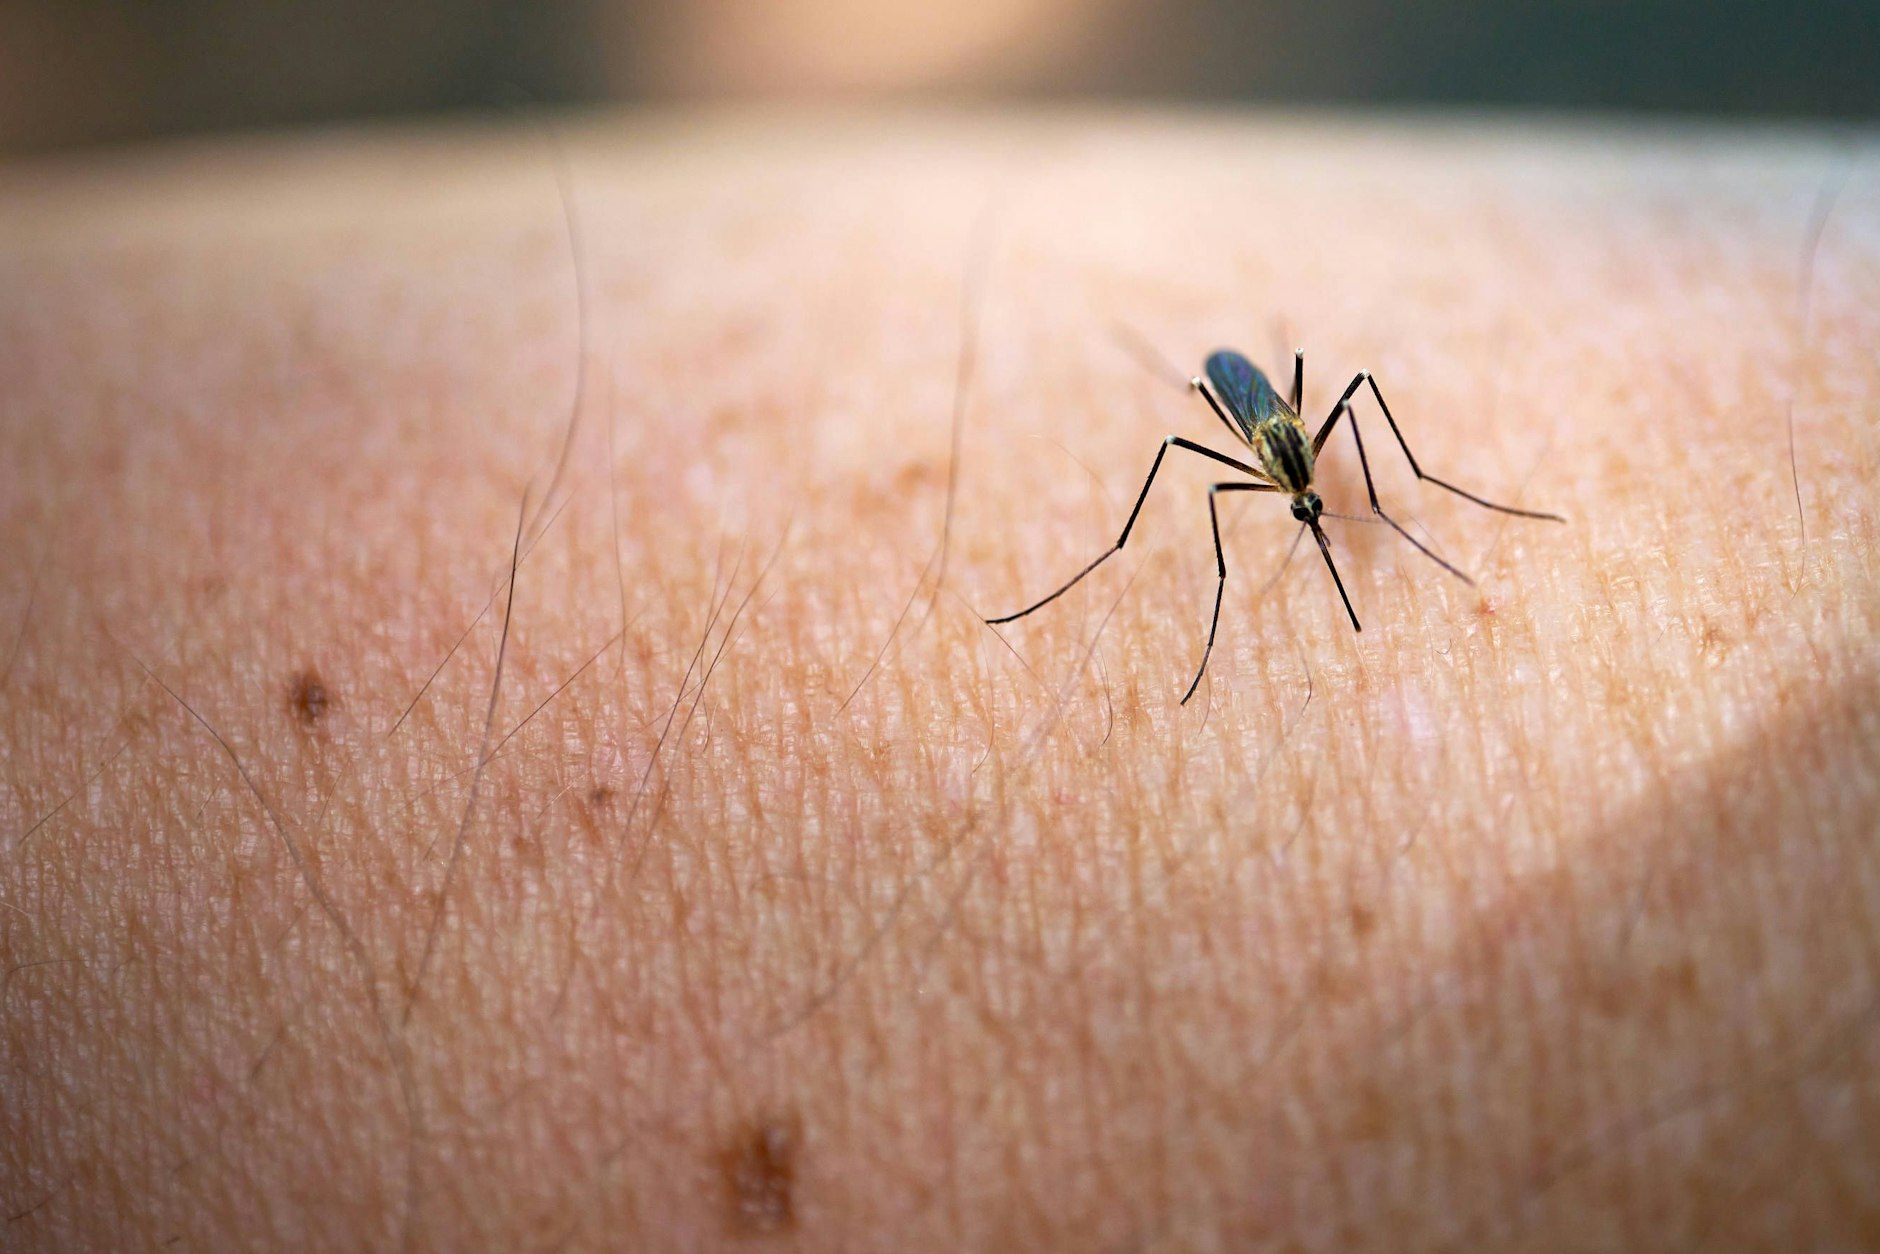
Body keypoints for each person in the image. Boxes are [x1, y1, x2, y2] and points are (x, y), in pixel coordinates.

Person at [3, 116, 1874, 1250]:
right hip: (1215, 408)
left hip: (1289, 388)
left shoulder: (1325, 436)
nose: (1308, 492)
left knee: (1363, 415)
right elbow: (1230, 432)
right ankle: (1164, 596)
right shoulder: (1235, 457)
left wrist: (1401, 508)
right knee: (1182, 502)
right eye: (1306, 486)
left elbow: (1325, 422)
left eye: (1305, 481)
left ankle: (1418, 509)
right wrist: (1225, 565)